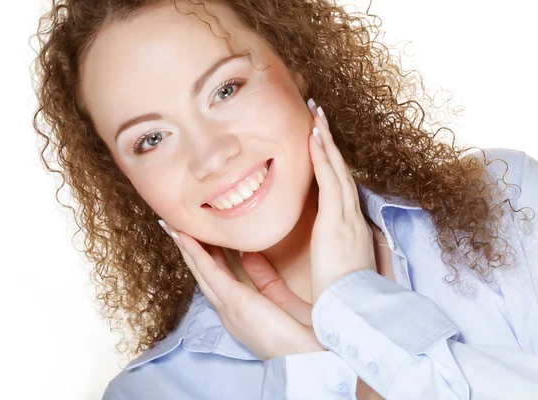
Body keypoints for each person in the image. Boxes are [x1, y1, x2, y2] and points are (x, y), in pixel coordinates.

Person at [32, 0, 538, 398]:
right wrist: (309, 374)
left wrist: (356, 304)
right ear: (122, 176)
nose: (210, 156)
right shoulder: (154, 393)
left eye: (225, 90)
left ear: (293, 62)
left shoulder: (507, 203)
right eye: (150, 139)